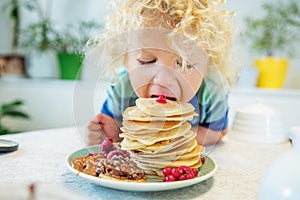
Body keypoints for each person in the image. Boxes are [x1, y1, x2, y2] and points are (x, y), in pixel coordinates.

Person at [85, 0, 237, 146]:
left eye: (184, 64)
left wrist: (172, 140)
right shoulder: (122, 88)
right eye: (147, 61)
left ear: (206, 67)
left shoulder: (212, 93)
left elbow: (218, 132)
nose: (164, 80)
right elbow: (114, 126)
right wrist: (107, 133)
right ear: (125, 60)